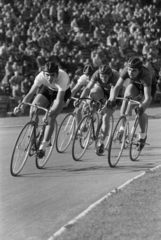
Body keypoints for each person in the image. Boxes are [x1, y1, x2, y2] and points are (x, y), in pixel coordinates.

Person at [14, 62, 71, 158]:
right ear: (44, 74)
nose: (49, 78)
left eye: (52, 75)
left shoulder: (63, 78)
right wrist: (22, 107)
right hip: (47, 89)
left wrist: (50, 112)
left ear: (57, 74)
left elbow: (58, 100)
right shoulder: (40, 76)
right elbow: (30, 94)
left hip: (62, 93)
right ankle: (34, 131)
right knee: (33, 109)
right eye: (47, 75)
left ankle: (44, 146)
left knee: (50, 117)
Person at [109, 57, 158, 151]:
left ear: (139, 70)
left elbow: (147, 98)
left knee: (140, 112)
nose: (130, 72)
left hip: (149, 86)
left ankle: (142, 136)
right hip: (135, 82)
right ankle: (122, 128)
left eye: (134, 70)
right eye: (129, 70)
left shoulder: (146, 74)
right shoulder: (126, 71)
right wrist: (111, 99)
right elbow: (117, 87)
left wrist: (142, 107)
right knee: (126, 97)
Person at [80, 64, 121, 156]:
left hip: (115, 93)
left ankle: (101, 143)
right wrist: (81, 99)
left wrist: (106, 106)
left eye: (105, 77)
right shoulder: (96, 74)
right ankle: (92, 116)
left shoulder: (115, 77)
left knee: (105, 117)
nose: (103, 78)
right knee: (92, 95)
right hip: (102, 89)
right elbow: (87, 88)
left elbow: (112, 95)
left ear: (110, 75)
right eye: (102, 76)